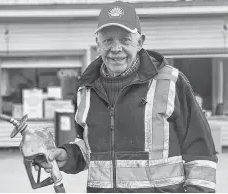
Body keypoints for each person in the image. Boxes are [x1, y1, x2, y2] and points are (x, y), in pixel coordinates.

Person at [35, 1, 217, 193]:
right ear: (97, 44)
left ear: (139, 42)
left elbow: (200, 150)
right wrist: (68, 155)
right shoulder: (86, 90)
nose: (116, 49)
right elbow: (90, 149)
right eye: (107, 40)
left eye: (125, 40)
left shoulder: (171, 83)